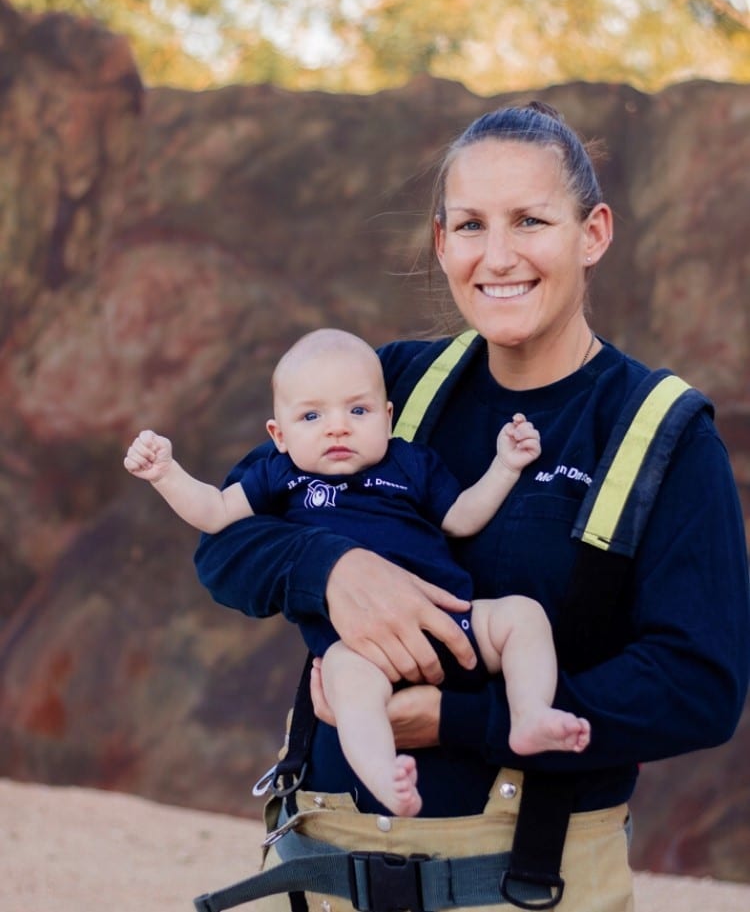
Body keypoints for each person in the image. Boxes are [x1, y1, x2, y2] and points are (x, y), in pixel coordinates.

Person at [192, 102, 750, 912]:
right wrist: (325, 566)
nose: (498, 256)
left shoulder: (661, 432)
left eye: (530, 220)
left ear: (592, 233)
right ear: (440, 241)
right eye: (470, 226)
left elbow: (698, 687)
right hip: (328, 865)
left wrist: (460, 720)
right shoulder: (385, 390)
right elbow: (221, 543)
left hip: (531, 884)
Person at [124, 327, 591, 818]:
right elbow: (216, 514)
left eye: (358, 411)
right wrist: (166, 475)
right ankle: (384, 775)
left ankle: (530, 713)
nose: (338, 428)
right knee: (346, 684)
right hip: (362, 648)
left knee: (523, 616)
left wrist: (505, 466)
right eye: (311, 416)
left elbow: (462, 516)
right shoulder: (281, 475)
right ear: (278, 435)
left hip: (453, 621)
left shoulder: (410, 462)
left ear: (387, 418)